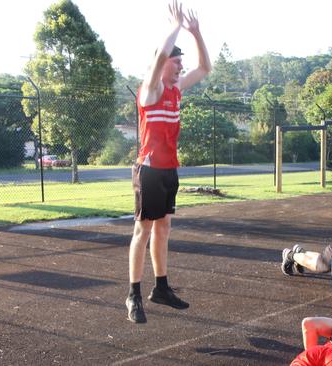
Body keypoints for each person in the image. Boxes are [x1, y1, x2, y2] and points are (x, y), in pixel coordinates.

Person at [125, 0, 211, 324]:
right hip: (147, 170)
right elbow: (161, 55)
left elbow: (204, 69)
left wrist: (197, 33)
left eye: (179, 63)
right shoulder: (150, 90)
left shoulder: (177, 91)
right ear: (162, 66)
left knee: (164, 229)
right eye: (176, 62)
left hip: (168, 170)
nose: (179, 68)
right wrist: (174, 26)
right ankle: (133, 294)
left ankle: (161, 287)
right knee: (142, 231)